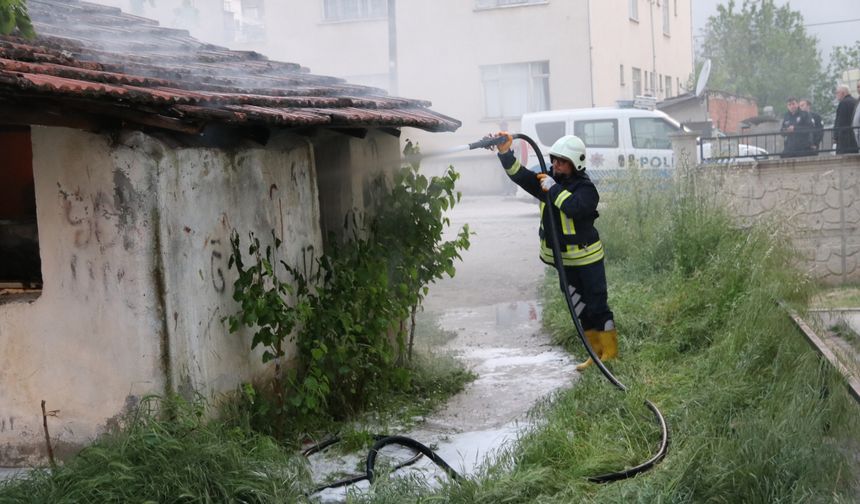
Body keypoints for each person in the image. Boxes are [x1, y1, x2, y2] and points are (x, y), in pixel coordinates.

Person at [492, 132, 616, 371]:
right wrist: (505, 153)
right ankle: (595, 353)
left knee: (597, 306)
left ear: (576, 163)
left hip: (587, 259)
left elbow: (575, 208)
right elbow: (521, 176)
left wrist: (554, 189)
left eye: (562, 161)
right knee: (579, 307)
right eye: (554, 159)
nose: (555, 165)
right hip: (564, 262)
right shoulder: (548, 181)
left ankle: (610, 351)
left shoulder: (586, 189)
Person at [834, 84, 859, 154]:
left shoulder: (843, 103)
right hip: (855, 138)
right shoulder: (856, 102)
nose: (836, 95)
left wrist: (835, 136)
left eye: (837, 92)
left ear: (843, 93)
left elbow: (840, 121)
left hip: (845, 139)